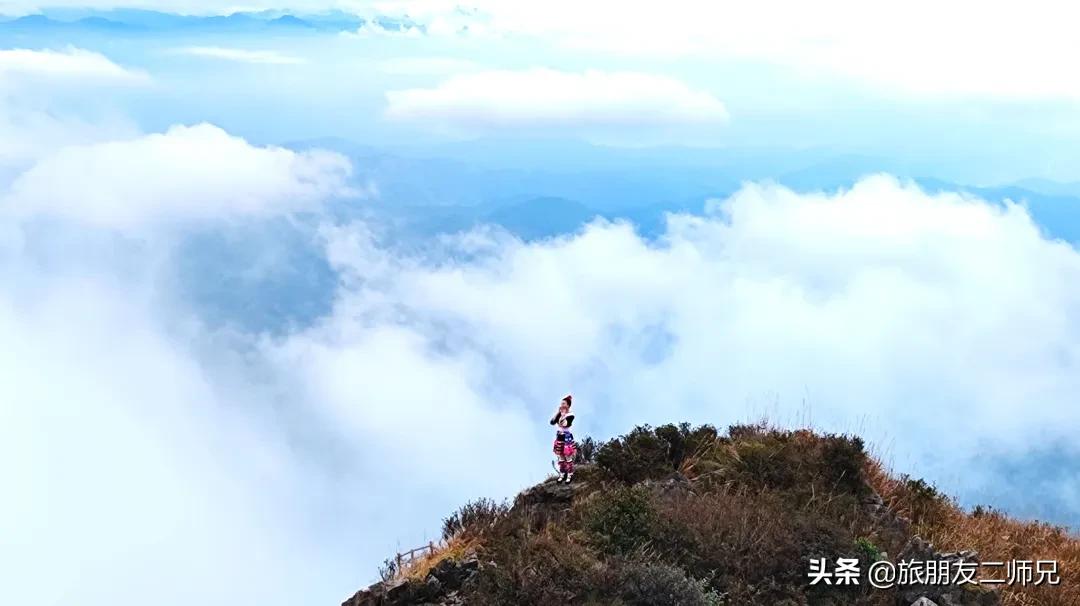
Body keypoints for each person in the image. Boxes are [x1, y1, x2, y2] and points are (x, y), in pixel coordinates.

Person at [550, 394, 576, 484]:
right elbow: (552, 422)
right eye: (561, 404)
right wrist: (558, 413)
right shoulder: (560, 413)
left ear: (568, 405)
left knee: (567, 456)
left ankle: (570, 474)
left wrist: (563, 415)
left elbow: (564, 424)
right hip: (559, 437)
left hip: (566, 437)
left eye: (564, 403)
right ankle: (562, 474)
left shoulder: (570, 415)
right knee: (560, 456)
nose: (562, 405)